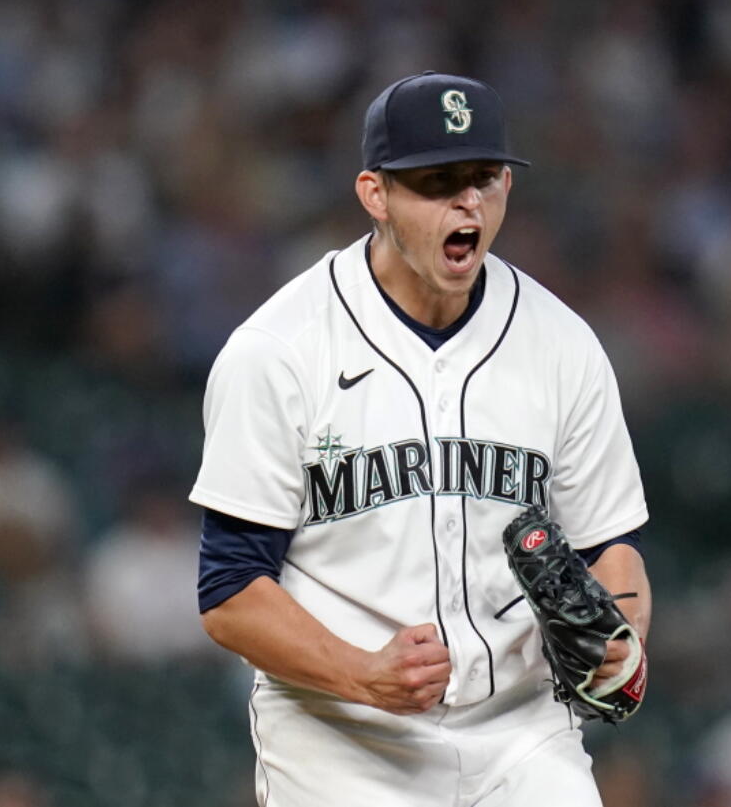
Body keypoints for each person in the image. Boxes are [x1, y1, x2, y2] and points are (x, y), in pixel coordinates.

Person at [191, 71, 652, 806]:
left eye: (483, 177)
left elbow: (609, 545)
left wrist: (620, 637)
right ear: (375, 194)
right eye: (436, 181)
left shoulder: (562, 344)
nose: (466, 200)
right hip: (341, 738)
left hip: (521, 734)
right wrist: (360, 671)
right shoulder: (278, 350)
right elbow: (229, 592)